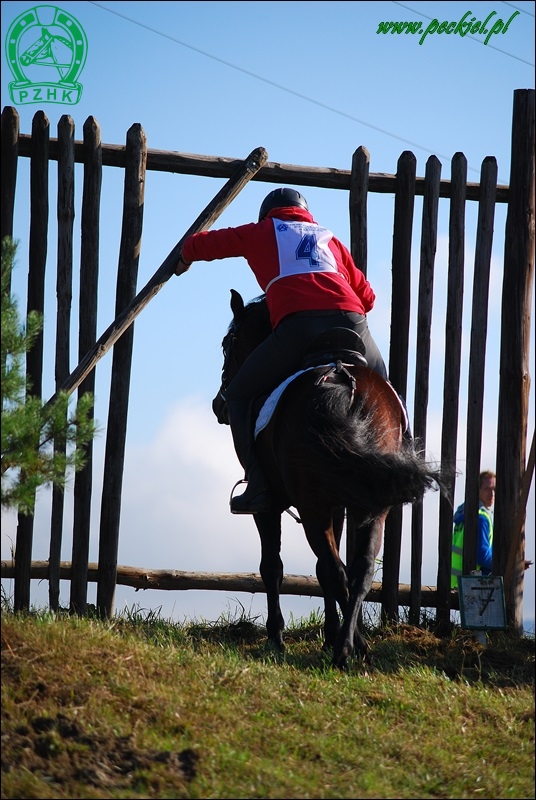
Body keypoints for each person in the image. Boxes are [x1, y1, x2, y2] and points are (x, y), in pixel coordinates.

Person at [175, 187, 388, 514]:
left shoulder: (260, 231)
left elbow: (206, 244)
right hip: (351, 322)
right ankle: (398, 460)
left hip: (299, 325)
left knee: (238, 395)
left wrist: (186, 254)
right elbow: (368, 298)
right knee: (384, 389)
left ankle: (257, 483)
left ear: (268, 214)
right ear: (305, 213)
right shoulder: (327, 238)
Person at [451, 470, 496, 588]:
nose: (492, 494)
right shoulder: (481, 518)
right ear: (478, 491)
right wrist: (506, 563)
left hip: (455, 582)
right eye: (487, 489)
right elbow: (482, 555)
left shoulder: (465, 515)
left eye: (494, 489)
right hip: (473, 583)